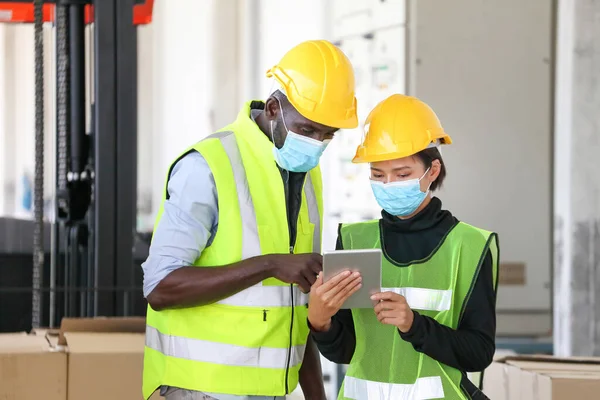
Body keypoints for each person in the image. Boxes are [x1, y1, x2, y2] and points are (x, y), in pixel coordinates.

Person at [141, 40, 358, 400]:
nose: (317, 144)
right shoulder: (207, 166)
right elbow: (160, 287)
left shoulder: (308, 179)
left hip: (271, 392)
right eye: (307, 130)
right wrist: (270, 265)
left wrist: (316, 396)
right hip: (199, 389)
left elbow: (294, 306)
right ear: (273, 108)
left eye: (327, 135)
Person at [307, 94, 499, 400]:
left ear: (432, 171)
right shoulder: (354, 240)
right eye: (378, 175)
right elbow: (346, 352)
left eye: (402, 174)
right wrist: (320, 321)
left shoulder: (470, 245)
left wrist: (415, 325)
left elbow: (478, 353)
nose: (389, 185)